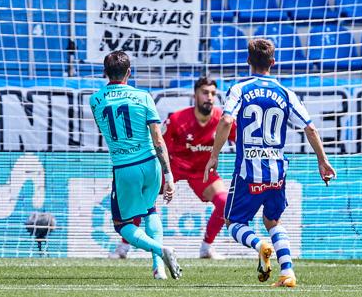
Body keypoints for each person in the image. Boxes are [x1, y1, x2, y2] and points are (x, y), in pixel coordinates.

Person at [204, 38, 337, 287]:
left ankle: (259, 244)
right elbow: (310, 128)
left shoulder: (240, 89)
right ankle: (287, 273)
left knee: (234, 222)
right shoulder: (286, 93)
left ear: (248, 61)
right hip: (277, 170)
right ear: (273, 63)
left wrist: (214, 155)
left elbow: (225, 121)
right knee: (273, 221)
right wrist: (323, 161)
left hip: (248, 172)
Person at [109, 77, 236, 260]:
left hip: (202, 171)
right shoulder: (177, 119)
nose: (209, 97)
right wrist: (163, 173)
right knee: (143, 198)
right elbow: (158, 145)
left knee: (225, 202)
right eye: (205, 92)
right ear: (195, 95)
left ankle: (206, 248)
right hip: (174, 167)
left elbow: (240, 138)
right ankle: (123, 247)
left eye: (213, 94)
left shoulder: (221, 120)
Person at [90, 51, 182, 280]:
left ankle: (161, 251)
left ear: (105, 73)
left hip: (125, 167)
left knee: (122, 225)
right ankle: (158, 268)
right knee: (150, 209)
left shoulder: (95, 100)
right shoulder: (144, 96)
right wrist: (169, 174)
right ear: (129, 72)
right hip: (151, 164)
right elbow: (158, 138)